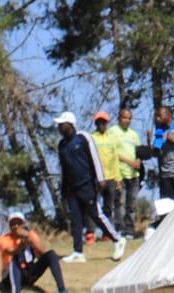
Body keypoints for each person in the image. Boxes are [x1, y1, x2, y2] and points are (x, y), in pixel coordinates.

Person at [53, 111, 123, 262]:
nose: (59, 127)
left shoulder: (83, 137)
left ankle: (118, 240)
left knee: (96, 214)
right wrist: (63, 188)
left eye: (61, 125)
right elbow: (63, 168)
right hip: (72, 188)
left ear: (70, 125)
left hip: (87, 184)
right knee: (76, 219)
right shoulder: (62, 145)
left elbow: (94, 157)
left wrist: (100, 178)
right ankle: (78, 252)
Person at [0, 214, 68, 293]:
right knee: (15, 259)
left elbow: (43, 252)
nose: (16, 226)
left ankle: (62, 289)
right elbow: (10, 251)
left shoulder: (30, 234)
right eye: (13, 224)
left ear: (23, 224)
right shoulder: (4, 238)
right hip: (10, 275)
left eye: (18, 223)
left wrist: (30, 238)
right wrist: (21, 245)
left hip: (28, 273)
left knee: (51, 254)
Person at [103, 106, 143, 234]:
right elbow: (112, 152)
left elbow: (139, 152)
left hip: (134, 175)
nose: (127, 120)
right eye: (125, 118)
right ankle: (118, 230)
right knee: (119, 203)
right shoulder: (112, 132)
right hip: (119, 174)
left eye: (129, 118)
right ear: (119, 118)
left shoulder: (134, 134)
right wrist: (128, 161)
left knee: (131, 205)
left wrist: (138, 161)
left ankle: (130, 230)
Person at [91, 112, 124, 244]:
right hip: (97, 178)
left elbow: (115, 159)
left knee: (108, 207)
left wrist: (118, 179)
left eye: (104, 122)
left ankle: (107, 234)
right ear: (96, 123)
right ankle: (90, 233)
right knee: (93, 206)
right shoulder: (92, 138)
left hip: (111, 178)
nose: (102, 124)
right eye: (99, 122)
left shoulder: (112, 138)